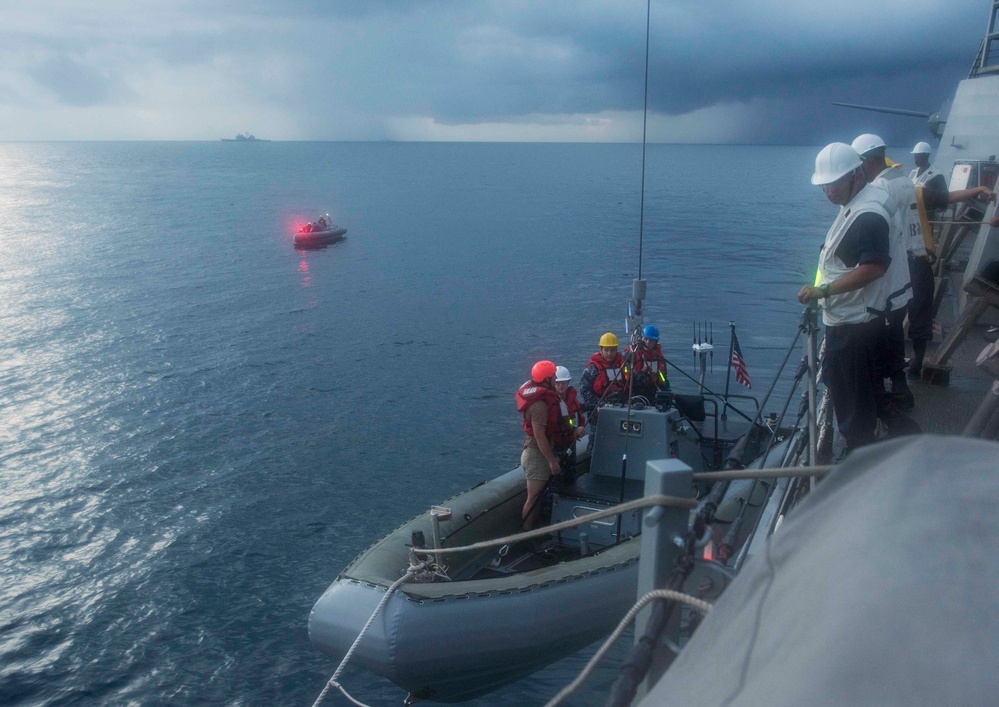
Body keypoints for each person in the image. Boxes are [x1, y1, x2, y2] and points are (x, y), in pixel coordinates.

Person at [798, 142, 892, 455]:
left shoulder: (868, 215)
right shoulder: (855, 204)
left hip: (855, 324)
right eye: (824, 185)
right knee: (852, 392)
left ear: (855, 175)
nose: (828, 191)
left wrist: (824, 291)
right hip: (847, 320)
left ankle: (858, 462)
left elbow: (874, 267)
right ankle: (871, 445)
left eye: (834, 183)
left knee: (854, 403)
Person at [906, 141, 997, 376]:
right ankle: (908, 360)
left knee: (914, 308)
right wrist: (978, 191)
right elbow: (946, 198)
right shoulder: (912, 187)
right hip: (910, 260)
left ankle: (909, 360)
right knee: (916, 307)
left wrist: (977, 190)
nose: (916, 159)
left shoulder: (919, 185)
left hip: (911, 258)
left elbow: (945, 197)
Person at [851, 134, 915, 409]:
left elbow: (876, 247)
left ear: (870, 161)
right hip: (903, 272)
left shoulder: (878, 190)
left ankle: (889, 404)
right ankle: (899, 390)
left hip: (885, 282)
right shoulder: (903, 180)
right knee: (895, 337)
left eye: (858, 164)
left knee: (880, 342)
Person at [515, 360, 562, 528]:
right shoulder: (540, 405)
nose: (556, 378)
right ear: (546, 379)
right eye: (553, 376)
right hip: (535, 454)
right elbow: (539, 436)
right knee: (533, 498)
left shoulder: (541, 399)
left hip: (536, 452)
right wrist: (552, 461)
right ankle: (527, 534)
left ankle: (534, 528)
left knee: (537, 497)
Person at [579, 332, 625, 414]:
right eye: (606, 350)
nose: (609, 354)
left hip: (621, 409)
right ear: (601, 350)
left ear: (616, 350)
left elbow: (630, 383)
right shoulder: (592, 369)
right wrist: (601, 403)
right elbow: (584, 391)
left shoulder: (623, 366)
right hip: (598, 414)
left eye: (612, 350)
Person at [628, 324, 669, 401]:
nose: (648, 342)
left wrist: (666, 389)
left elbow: (663, 377)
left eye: (651, 340)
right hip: (636, 391)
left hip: (653, 390)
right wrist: (643, 371)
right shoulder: (633, 353)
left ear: (656, 342)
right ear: (641, 339)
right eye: (645, 339)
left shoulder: (659, 357)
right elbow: (630, 380)